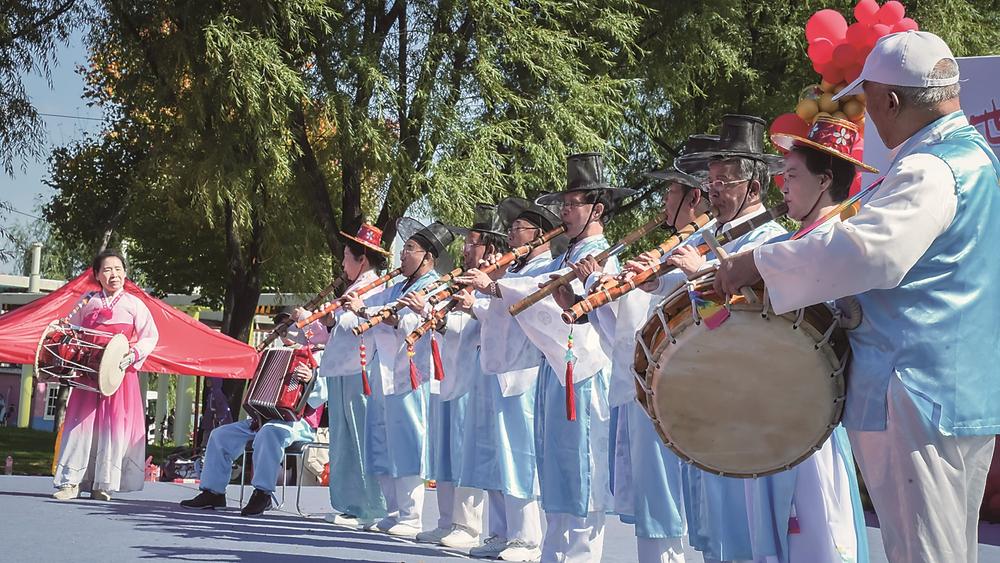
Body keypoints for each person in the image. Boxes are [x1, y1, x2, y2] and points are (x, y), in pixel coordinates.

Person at [715, 31, 1000, 563]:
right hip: (952, 389)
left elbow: (871, 253)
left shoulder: (932, 167)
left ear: (891, 101)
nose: (867, 115)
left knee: (923, 554)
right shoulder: (971, 159)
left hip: (917, 388)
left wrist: (757, 263)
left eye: (869, 101)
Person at [630, 115, 787, 563]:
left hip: (752, 389)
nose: (713, 190)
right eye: (711, 180)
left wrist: (699, 274)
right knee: (712, 513)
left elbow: (762, 308)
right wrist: (649, 281)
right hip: (711, 379)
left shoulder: (771, 241)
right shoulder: (708, 235)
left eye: (724, 181)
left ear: (753, 189)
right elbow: (681, 294)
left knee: (748, 516)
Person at [735, 116, 874, 563]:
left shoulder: (839, 239)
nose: (783, 185)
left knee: (817, 532)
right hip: (776, 405)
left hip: (811, 410)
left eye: (792, 175)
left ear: (825, 180)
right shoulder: (801, 239)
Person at [492, 153, 635, 562]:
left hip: (584, 373)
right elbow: (533, 285)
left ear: (597, 209)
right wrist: (494, 290)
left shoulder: (603, 256)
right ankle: (553, 551)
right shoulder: (564, 256)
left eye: (573, 204)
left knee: (581, 467)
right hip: (556, 370)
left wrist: (500, 289)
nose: (566, 212)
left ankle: (578, 555)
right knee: (553, 465)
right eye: (565, 204)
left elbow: (557, 296)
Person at [585, 136, 719, 563]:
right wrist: (613, 288)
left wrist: (665, 280)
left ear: (694, 197)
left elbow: (714, 312)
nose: (664, 200)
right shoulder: (675, 247)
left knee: (696, 497)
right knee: (659, 490)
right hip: (659, 377)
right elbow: (640, 317)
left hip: (697, 381)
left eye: (671, 191)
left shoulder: (713, 241)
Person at [454, 197, 558, 561]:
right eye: (512, 229)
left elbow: (531, 301)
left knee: (518, 454)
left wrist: (493, 288)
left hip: (523, 371)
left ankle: (527, 537)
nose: (512, 235)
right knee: (494, 454)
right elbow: (498, 312)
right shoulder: (514, 269)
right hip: (497, 369)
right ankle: (499, 530)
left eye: (520, 229)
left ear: (541, 235)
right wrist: (477, 301)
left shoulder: (545, 267)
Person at [344, 219, 454, 538]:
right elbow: (382, 311)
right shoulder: (397, 286)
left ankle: (411, 514)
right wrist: (363, 311)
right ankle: (393, 510)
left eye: (410, 249)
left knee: (408, 440)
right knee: (381, 439)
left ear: (428, 257)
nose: (402, 255)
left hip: (413, 372)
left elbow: (406, 320)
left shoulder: (435, 284)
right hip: (386, 370)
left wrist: (382, 315)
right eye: (403, 248)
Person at [410, 205, 508, 548]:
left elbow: (482, 325)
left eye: (473, 242)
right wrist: (433, 316)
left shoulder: (495, 282)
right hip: (449, 371)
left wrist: (461, 311)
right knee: (445, 451)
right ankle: (446, 520)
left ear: (491, 248)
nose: (465, 249)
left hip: (475, 374)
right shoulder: (462, 279)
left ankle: (468, 526)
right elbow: (456, 324)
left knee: (469, 452)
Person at [180, 307, 327, 516]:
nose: (286, 330)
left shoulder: (320, 356)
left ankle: (263, 493)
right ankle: (214, 492)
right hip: (263, 420)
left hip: (299, 423)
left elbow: (322, 395)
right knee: (221, 435)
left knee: (270, 433)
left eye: (291, 324)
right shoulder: (274, 354)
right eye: (282, 325)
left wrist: (310, 379)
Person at [301, 224, 391, 529]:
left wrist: (334, 316)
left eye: (346, 257)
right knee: (344, 440)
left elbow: (361, 325)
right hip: (343, 371)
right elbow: (332, 335)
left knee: (359, 438)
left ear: (361, 260)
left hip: (359, 371)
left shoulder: (374, 288)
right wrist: (317, 322)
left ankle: (366, 505)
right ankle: (350, 503)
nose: (342, 264)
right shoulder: (355, 288)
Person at [53, 249, 159, 501]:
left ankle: (104, 483)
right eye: (108, 269)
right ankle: (70, 483)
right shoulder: (87, 302)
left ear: (125, 273)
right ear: (98, 275)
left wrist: (133, 355)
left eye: (118, 269)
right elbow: (71, 329)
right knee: (80, 425)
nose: (114, 274)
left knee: (112, 427)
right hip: (88, 374)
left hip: (119, 374)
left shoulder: (135, 304)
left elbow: (150, 336)